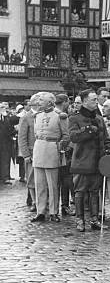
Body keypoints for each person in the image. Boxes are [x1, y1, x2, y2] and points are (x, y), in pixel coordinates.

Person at [70, 90, 110, 232]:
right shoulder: (75, 118)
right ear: (84, 101)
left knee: (95, 191)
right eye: (93, 99)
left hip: (98, 161)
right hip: (82, 161)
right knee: (80, 191)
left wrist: (109, 148)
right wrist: (88, 130)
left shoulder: (99, 118)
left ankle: (94, 219)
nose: (96, 102)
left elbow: (106, 137)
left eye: (96, 99)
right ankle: (80, 219)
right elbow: (74, 137)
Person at [30, 92, 69, 223]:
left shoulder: (60, 116)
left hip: (52, 149)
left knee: (52, 184)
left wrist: (60, 148)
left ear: (50, 102)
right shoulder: (37, 115)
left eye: (42, 100)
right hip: (39, 148)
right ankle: (40, 211)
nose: (39, 102)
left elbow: (66, 135)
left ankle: (53, 211)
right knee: (39, 183)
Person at [55, 94, 75, 216]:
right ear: (65, 102)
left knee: (62, 180)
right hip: (63, 152)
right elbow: (67, 135)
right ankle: (64, 205)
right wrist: (66, 148)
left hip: (58, 151)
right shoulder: (62, 116)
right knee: (65, 179)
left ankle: (61, 205)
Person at [18, 94, 39, 210]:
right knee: (31, 178)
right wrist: (26, 154)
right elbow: (22, 137)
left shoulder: (43, 115)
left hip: (42, 152)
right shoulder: (26, 117)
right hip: (31, 153)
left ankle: (42, 202)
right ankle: (34, 201)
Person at [0, 102, 19, 184]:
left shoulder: (7, 117)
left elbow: (9, 128)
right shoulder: (4, 117)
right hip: (3, 140)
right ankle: (4, 176)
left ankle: (6, 176)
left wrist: (14, 131)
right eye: (2, 107)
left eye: (5, 107)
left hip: (6, 141)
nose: (5, 109)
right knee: (4, 158)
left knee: (6, 158)